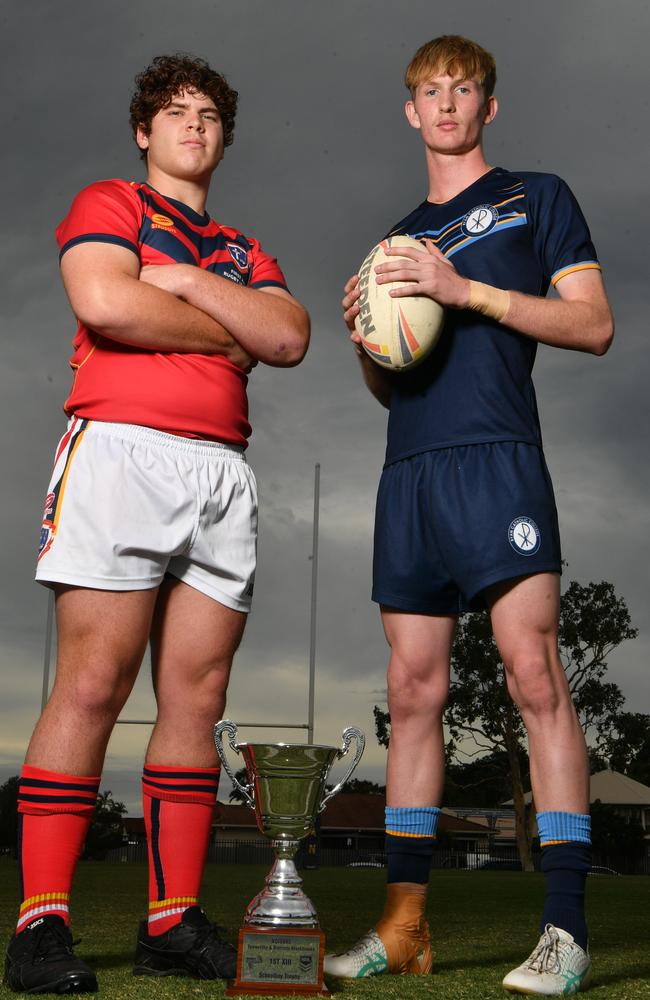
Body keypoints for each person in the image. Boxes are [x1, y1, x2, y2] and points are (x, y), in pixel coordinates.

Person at [5, 54, 309, 994]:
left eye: (210, 113)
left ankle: (170, 920)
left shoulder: (244, 247)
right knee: (93, 683)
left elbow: (289, 336)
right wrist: (230, 327)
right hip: (122, 450)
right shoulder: (111, 203)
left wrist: (180, 282)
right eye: (175, 112)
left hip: (223, 471)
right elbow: (103, 299)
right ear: (144, 131)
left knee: (199, 699)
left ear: (223, 136)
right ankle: (40, 927)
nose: (193, 124)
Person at [324, 35, 612, 996]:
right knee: (412, 692)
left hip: (499, 463)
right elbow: (392, 383)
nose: (446, 104)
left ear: (489, 106)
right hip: (410, 471)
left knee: (535, 674)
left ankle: (564, 932)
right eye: (429, 92)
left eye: (464, 90)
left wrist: (464, 289)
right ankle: (404, 927)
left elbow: (593, 324)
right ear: (411, 112)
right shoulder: (394, 237)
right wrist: (370, 334)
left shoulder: (537, 197)